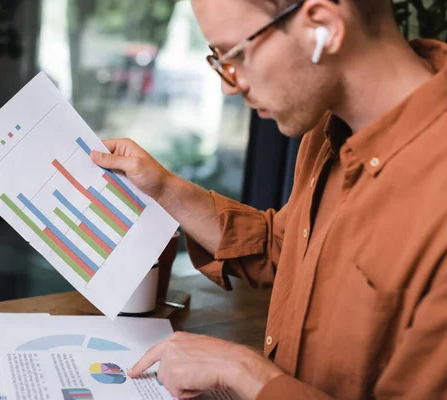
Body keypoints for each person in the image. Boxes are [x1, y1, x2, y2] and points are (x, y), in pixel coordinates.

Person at [89, 0, 447, 399]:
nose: (229, 83)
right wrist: (165, 190)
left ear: (322, 26)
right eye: (218, 58)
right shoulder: (329, 124)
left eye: (235, 54)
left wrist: (246, 372)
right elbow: (290, 248)